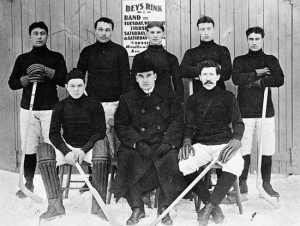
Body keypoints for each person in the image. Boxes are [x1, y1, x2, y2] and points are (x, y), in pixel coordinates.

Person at [111, 57, 187, 225]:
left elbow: (177, 120)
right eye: (141, 76)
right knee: (127, 160)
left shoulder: (168, 95)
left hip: (162, 143)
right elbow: (121, 125)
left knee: (171, 159)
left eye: (148, 76)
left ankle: (164, 207)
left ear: (155, 76)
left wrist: (169, 141)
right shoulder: (127, 98)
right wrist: (137, 142)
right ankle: (137, 207)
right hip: (139, 144)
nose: (145, 80)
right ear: (136, 78)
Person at [178, 60, 244, 226]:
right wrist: (186, 141)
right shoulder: (193, 100)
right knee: (185, 164)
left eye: (211, 74)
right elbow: (189, 126)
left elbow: (238, 123)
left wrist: (236, 140)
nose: (208, 78)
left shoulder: (228, 97)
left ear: (218, 76)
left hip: (223, 144)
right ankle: (213, 207)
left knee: (236, 163)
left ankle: (208, 208)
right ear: (199, 77)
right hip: (201, 145)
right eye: (205, 74)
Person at [36, 69, 107, 222]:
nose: (76, 89)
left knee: (102, 147)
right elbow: (53, 134)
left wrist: (84, 150)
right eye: (72, 86)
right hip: (68, 147)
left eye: (79, 86)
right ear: (67, 87)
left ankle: (99, 207)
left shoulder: (94, 104)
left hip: (88, 147)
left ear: (84, 85)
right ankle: (55, 206)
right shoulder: (60, 106)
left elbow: (101, 131)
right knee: (43, 149)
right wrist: (66, 151)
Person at [8, 21, 67, 199]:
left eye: (42, 33)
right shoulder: (23, 58)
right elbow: (12, 83)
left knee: (53, 146)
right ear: (30, 36)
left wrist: (48, 71)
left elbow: (64, 80)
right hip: (29, 109)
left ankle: (54, 183)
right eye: (35, 33)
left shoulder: (56, 57)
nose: (39, 36)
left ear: (47, 35)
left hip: (50, 108)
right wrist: (25, 79)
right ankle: (29, 182)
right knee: (29, 146)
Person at [77, 16, 130, 190]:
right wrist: (86, 99)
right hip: (94, 105)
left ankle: (119, 179)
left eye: (107, 30)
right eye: (100, 29)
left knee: (119, 140)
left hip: (116, 104)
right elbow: (79, 75)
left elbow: (125, 79)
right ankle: (95, 177)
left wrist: (123, 104)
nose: (104, 33)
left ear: (112, 31)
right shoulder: (87, 51)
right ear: (95, 30)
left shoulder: (120, 51)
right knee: (97, 139)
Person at [232, 27, 284, 197]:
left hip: (265, 112)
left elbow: (279, 79)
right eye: (251, 39)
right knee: (244, 148)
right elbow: (237, 79)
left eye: (257, 39)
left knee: (266, 148)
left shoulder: (270, 59)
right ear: (247, 40)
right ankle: (243, 182)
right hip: (245, 111)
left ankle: (266, 183)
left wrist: (257, 83)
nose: (254, 42)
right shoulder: (240, 60)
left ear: (262, 40)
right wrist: (259, 74)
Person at [131, 21, 184, 103]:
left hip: (166, 102)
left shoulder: (171, 58)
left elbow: (178, 84)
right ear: (147, 34)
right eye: (152, 32)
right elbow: (133, 83)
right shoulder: (139, 57)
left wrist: (178, 104)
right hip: (145, 102)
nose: (155, 35)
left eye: (158, 32)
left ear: (163, 34)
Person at [180, 16, 232, 93]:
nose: (206, 32)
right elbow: (182, 71)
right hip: (198, 96)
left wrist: (197, 72)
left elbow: (226, 74)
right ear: (198, 31)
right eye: (202, 29)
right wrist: (216, 69)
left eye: (209, 28)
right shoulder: (191, 53)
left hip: (219, 96)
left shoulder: (222, 50)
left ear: (213, 29)